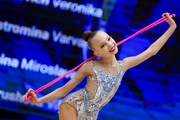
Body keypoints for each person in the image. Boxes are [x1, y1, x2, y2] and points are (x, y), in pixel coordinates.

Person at [22, 13, 176, 120]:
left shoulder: (124, 64)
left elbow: (152, 50)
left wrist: (171, 27)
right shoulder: (90, 67)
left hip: (92, 115)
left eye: (109, 39)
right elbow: (64, 90)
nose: (110, 44)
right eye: (103, 45)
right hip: (73, 105)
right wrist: (38, 101)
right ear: (96, 52)